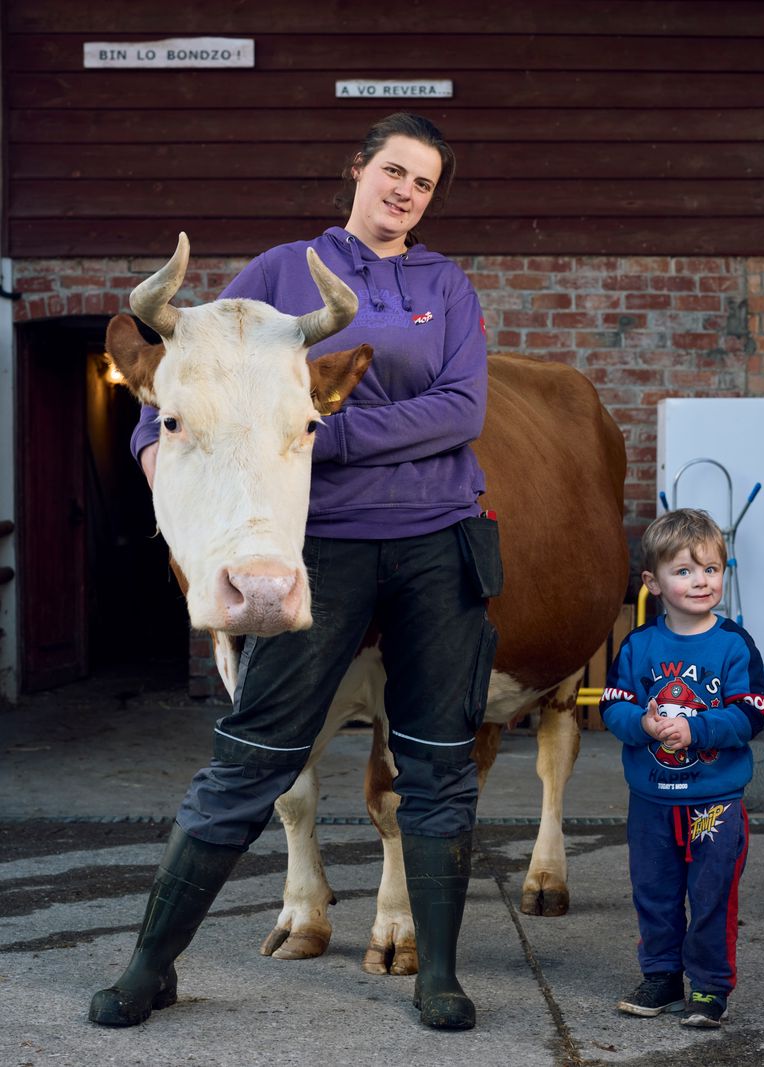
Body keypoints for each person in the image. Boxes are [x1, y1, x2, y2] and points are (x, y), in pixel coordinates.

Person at [89, 112, 501, 1032]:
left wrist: (322, 433)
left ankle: (437, 971)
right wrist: (153, 444)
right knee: (252, 756)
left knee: (436, 761)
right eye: (393, 171)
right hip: (325, 544)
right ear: (357, 170)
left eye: (424, 183)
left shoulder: (447, 285)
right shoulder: (281, 272)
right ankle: (148, 965)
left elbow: (460, 408)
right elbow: (187, 376)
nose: (404, 192)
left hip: (441, 536)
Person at [600, 508, 764, 1029]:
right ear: (652, 582)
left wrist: (698, 730)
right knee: (654, 893)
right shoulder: (639, 645)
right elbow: (612, 705)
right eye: (685, 570)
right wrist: (644, 726)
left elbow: (753, 710)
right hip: (651, 801)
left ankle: (710, 987)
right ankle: (662, 975)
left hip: (715, 801)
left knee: (712, 893)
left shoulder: (732, 644)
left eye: (711, 569)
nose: (701, 580)